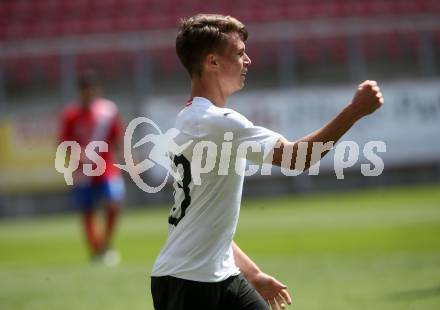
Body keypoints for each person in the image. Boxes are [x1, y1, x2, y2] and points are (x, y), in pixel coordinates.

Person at [150, 14, 383, 310]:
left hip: (216, 274)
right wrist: (355, 111)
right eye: (239, 53)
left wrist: (253, 274)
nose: (248, 60)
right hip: (189, 283)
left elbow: (204, 219)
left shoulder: (190, 119)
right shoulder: (217, 123)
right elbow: (297, 158)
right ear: (212, 62)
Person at [58, 71, 125, 266]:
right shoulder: (71, 115)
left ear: (96, 90)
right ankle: (96, 250)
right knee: (87, 211)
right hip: (83, 173)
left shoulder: (108, 112)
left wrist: (128, 159)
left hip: (106, 169)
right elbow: (63, 142)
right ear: (79, 92)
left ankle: (106, 244)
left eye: (90, 90)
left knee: (114, 203)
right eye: (83, 91)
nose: (87, 94)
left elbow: (117, 137)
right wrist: (78, 153)